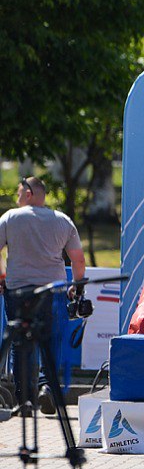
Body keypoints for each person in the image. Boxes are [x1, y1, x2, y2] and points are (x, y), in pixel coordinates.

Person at [0, 176, 86, 414]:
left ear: (28, 194)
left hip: (17, 291)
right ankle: (46, 387)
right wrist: (77, 288)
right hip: (52, 291)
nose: (17, 199)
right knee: (51, 340)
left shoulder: (9, 218)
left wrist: (1, 278)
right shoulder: (62, 221)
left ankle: (24, 400)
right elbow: (78, 259)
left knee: (20, 343)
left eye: (18, 194)